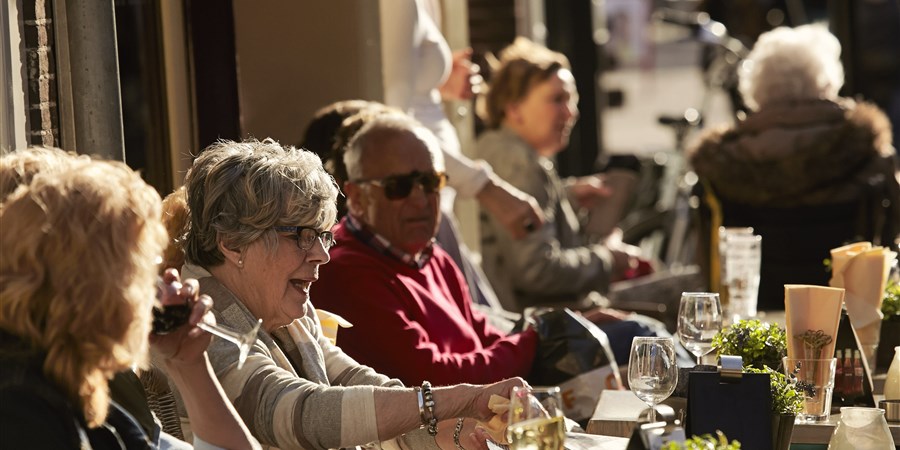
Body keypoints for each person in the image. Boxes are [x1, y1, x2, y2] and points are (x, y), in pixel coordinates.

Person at [177, 137, 525, 450]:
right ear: (233, 243)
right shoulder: (193, 323)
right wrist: (463, 399)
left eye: (323, 235)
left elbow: (359, 386)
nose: (322, 254)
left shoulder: (282, 309)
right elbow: (300, 412)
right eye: (301, 235)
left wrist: (464, 429)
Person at [0, 151, 259, 449]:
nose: (157, 284)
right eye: (141, 268)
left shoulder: (74, 386)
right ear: (93, 282)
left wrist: (189, 363)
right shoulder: (22, 410)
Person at [314, 113, 538, 386]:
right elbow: (434, 379)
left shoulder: (430, 255)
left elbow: (480, 333)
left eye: (430, 182)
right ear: (357, 198)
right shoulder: (344, 271)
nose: (420, 199)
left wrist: (549, 333)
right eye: (399, 187)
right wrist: (534, 343)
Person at [687, 24, 900, 310]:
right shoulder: (866, 150)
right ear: (826, 85)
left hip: (752, 314)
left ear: (756, 91)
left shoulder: (721, 160)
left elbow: (706, 260)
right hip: (847, 313)